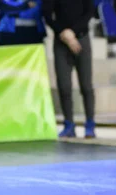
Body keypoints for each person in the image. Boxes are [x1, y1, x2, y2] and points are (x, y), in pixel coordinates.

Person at [43, 0, 96, 138]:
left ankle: (90, 123)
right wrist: (63, 32)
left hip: (81, 38)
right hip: (61, 41)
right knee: (64, 85)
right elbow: (47, 14)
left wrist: (73, 32)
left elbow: (89, 12)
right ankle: (69, 124)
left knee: (86, 85)